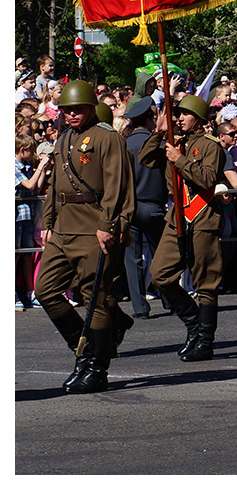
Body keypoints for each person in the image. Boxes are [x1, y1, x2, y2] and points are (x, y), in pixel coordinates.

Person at [35, 80, 134, 393]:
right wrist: (47, 221)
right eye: (67, 109)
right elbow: (55, 187)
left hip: (94, 227)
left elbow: (118, 185)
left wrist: (109, 225)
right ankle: (87, 348)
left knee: (98, 297)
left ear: (91, 107)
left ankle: (95, 368)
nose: (72, 114)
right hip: (63, 228)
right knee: (45, 290)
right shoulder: (63, 138)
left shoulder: (108, 138)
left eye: (78, 109)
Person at [138, 94, 228, 361]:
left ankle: (205, 340)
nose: (179, 118)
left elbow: (208, 178)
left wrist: (180, 159)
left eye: (184, 114)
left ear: (199, 119)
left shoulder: (210, 145)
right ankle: (194, 323)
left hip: (203, 217)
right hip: (177, 218)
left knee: (206, 283)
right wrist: (159, 131)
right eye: (177, 114)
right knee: (160, 274)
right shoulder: (173, 142)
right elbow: (145, 159)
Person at [121, 97, 169, 320]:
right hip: (153, 205)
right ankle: (169, 297)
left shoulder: (125, 145)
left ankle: (139, 306)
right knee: (162, 254)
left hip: (130, 206)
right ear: (150, 120)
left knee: (133, 260)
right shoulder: (157, 143)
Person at [15, 133, 51, 310]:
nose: (34, 155)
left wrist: (42, 169)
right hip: (16, 218)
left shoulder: (29, 165)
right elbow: (28, 184)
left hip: (28, 215)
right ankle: (13, 294)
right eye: (31, 151)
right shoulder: (12, 165)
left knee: (28, 255)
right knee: (15, 256)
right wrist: (40, 167)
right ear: (22, 150)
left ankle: (30, 292)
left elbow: (35, 189)